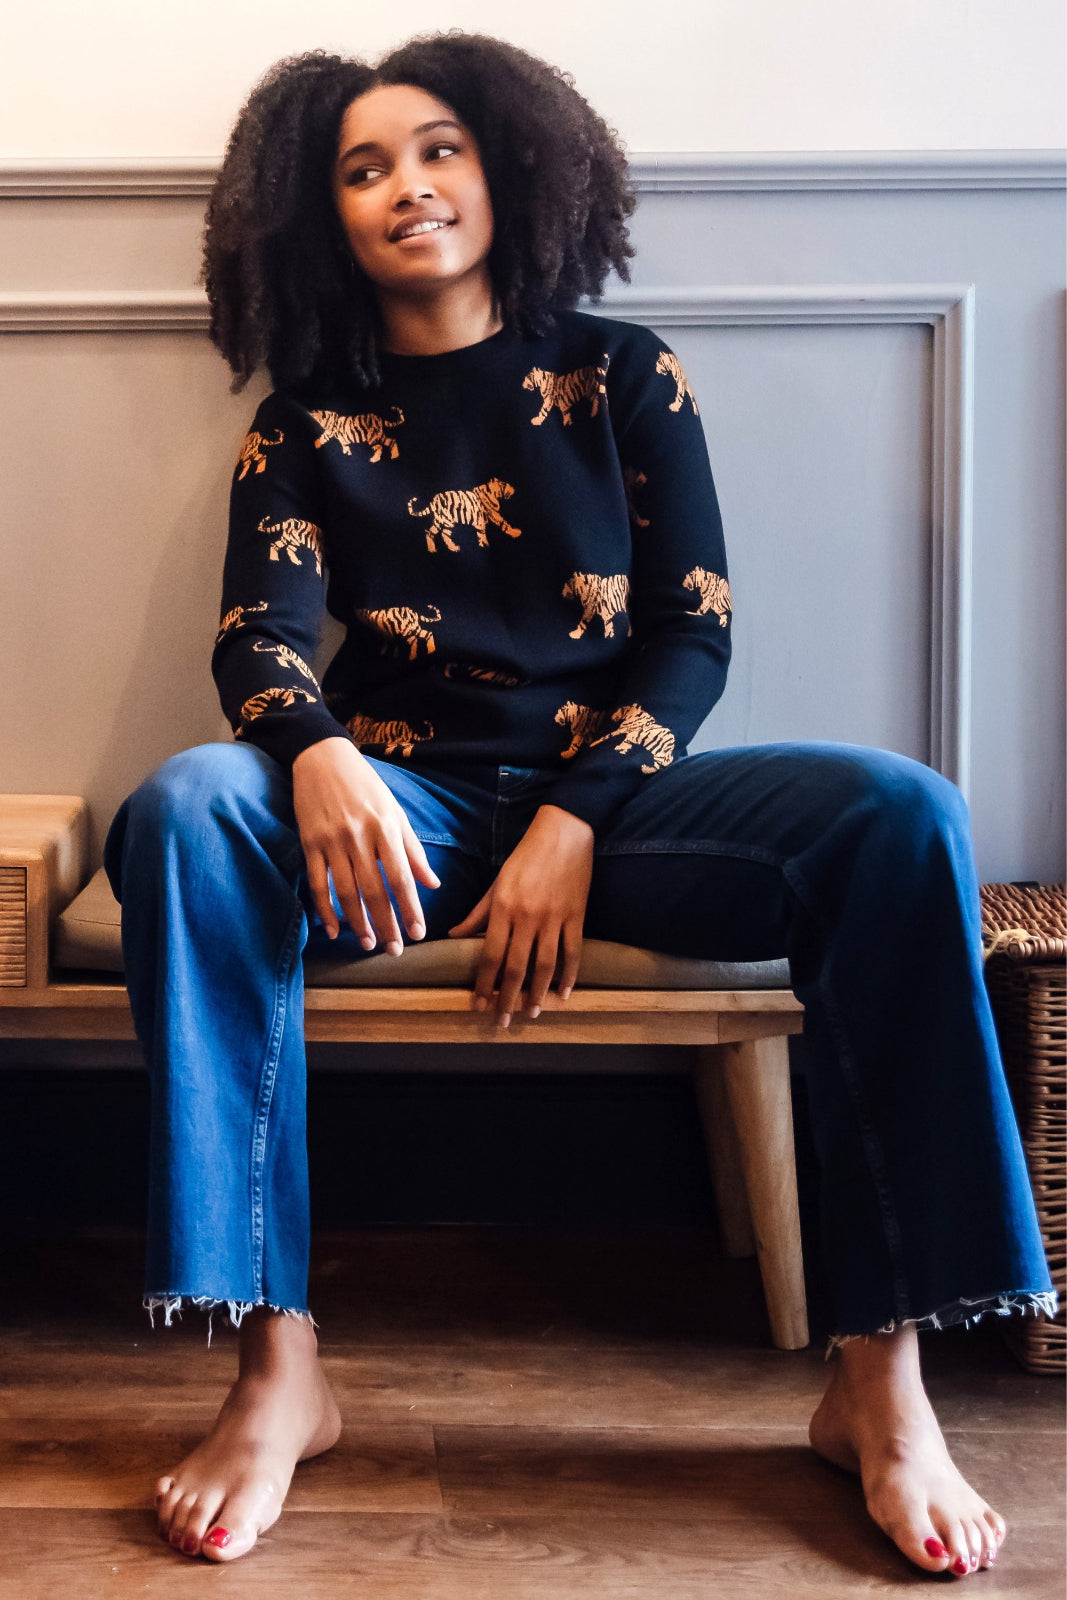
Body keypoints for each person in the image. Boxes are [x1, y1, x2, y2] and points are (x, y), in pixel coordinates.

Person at [102, 32, 1055, 1575]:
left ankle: (880, 1387)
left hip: (619, 814)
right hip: (395, 813)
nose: (407, 186)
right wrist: (321, 753)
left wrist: (577, 820)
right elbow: (258, 639)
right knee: (186, 810)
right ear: (318, 216)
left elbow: (694, 634)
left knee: (901, 815)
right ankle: (281, 1374)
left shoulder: (621, 372)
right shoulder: (306, 417)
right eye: (362, 169)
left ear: (507, 166)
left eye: (436, 149)